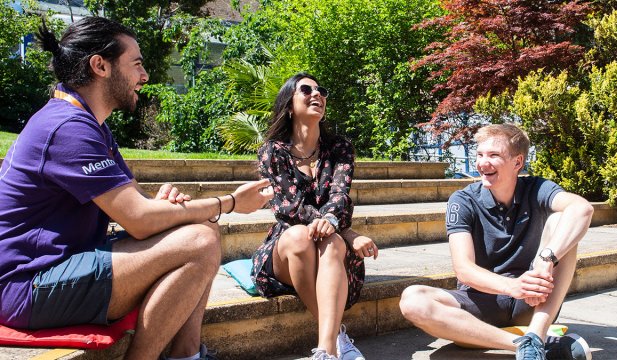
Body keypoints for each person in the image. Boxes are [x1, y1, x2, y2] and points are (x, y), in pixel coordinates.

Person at [0, 17, 274, 360]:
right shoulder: (67, 127)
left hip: (60, 266)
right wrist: (231, 202)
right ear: (100, 65)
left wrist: (164, 208)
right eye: (137, 64)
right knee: (200, 239)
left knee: (200, 230)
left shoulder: (90, 123)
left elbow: (138, 207)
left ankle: (186, 355)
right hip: (27, 285)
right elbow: (140, 220)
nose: (144, 77)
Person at [399, 124, 594, 360]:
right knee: (413, 300)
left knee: (564, 221)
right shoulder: (463, 200)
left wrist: (545, 261)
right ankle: (531, 345)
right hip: (481, 304)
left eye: (494, 155)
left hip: (533, 302)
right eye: (480, 154)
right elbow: (464, 270)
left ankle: (537, 331)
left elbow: (583, 208)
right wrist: (512, 287)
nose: (482, 163)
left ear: (517, 162)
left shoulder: (537, 188)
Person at [250, 73, 378, 360]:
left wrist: (332, 223)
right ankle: (337, 336)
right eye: (306, 89)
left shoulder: (340, 149)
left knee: (331, 243)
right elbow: (286, 206)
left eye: (321, 90)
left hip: (331, 245)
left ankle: (326, 352)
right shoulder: (272, 152)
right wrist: (337, 227)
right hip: (288, 250)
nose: (316, 94)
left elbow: (340, 196)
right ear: (288, 104)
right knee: (297, 236)